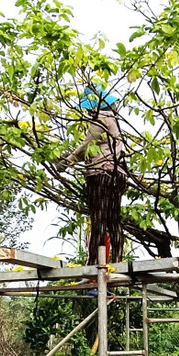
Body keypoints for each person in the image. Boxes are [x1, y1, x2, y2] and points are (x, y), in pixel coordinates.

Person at [61, 85, 126, 269]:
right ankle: (118, 262)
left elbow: (86, 146)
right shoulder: (114, 120)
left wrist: (67, 161)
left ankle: (93, 264)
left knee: (98, 219)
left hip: (100, 174)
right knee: (114, 219)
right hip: (116, 174)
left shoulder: (102, 119)